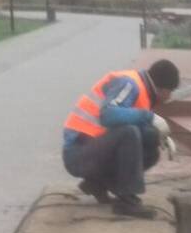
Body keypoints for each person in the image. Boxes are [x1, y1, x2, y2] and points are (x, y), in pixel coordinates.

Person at [61, 59, 181, 219]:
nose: (169, 97)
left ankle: (97, 183)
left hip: (91, 150)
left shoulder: (143, 91)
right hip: (77, 153)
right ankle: (127, 202)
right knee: (128, 133)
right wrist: (148, 117)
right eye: (170, 92)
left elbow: (131, 129)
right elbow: (108, 115)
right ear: (163, 89)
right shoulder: (129, 84)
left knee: (151, 144)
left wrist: (158, 134)